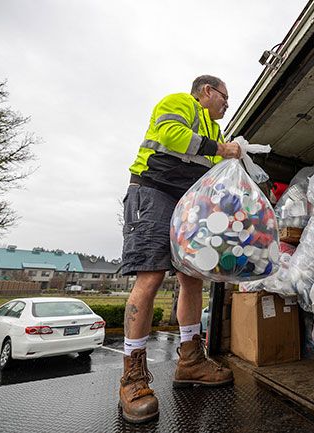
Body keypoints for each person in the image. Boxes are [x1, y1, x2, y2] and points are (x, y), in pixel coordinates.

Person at [119, 75, 241, 424]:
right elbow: (172, 135)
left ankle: (190, 361)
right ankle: (133, 376)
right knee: (151, 276)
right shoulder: (180, 102)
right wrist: (221, 150)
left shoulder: (215, 132)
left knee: (191, 277)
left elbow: (214, 172)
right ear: (207, 91)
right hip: (153, 192)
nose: (226, 104)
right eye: (224, 97)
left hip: (187, 204)